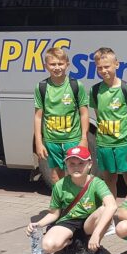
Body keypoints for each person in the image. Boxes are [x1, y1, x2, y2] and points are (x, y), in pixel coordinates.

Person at [25, 146, 116, 254]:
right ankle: (72, 242)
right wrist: (38, 224)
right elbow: (54, 214)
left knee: (105, 210)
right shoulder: (60, 185)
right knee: (47, 246)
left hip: (89, 221)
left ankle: (94, 247)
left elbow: (112, 206)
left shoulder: (97, 183)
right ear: (66, 165)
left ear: (89, 164)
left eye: (81, 163)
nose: (76, 167)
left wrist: (96, 235)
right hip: (69, 221)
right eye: (72, 163)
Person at [89, 47, 127, 197]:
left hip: (123, 143)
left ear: (116, 65)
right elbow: (98, 114)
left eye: (107, 66)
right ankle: (111, 211)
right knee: (109, 180)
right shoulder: (95, 90)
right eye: (100, 68)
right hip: (104, 144)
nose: (103, 70)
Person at [33, 47, 89, 186]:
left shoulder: (76, 85)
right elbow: (38, 117)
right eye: (53, 64)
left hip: (73, 139)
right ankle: (59, 200)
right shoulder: (41, 87)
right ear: (46, 66)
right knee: (55, 176)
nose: (57, 67)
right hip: (52, 141)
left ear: (67, 65)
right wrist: (39, 142)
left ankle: (75, 200)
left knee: (76, 175)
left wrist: (84, 139)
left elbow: (84, 113)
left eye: (60, 64)